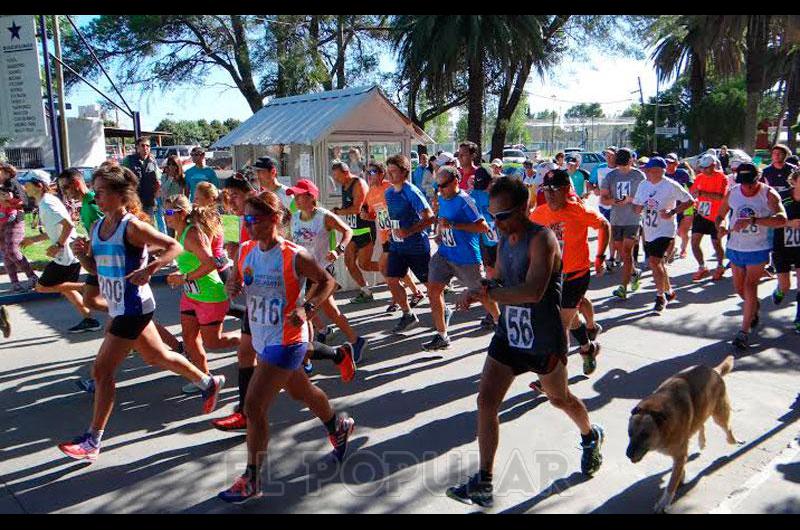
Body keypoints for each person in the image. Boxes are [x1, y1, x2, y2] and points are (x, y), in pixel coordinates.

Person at [446, 177, 604, 507]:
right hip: (510, 334)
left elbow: (533, 291)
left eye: (502, 216)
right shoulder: (506, 240)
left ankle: (590, 436)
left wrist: (493, 292)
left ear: (523, 209)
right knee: (486, 401)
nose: (496, 224)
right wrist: (479, 291)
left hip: (543, 340)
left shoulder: (542, 240)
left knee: (560, 399)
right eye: (492, 216)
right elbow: (500, 279)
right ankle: (484, 482)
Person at [58, 165, 226, 461]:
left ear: (121, 195)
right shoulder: (98, 227)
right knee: (156, 356)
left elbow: (173, 246)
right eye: (94, 190)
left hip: (132, 307)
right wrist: (84, 253)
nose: (95, 196)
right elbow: (99, 268)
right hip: (120, 305)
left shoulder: (132, 226)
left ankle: (92, 441)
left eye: (101, 191)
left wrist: (152, 267)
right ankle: (207, 381)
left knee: (102, 371)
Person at [217, 191, 356, 504]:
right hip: (263, 337)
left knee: (253, 407)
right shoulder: (246, 250)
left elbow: (326, 283)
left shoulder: (295, 255)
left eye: (255, 219)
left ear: (274, 220)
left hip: (288, 340)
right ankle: (338, 424)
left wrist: (306, 309)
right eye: (246, 219)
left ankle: (252, 478)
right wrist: (232, 286)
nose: (248, 224)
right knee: (301, 391)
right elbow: (237, 282)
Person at [530, 169, 610, 377]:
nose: (549, 194)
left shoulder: (579, 211)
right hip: (552, 278)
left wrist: (600, 256)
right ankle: (587, 348)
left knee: (559, 326)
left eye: (554, 189)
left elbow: (604, 226)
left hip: (576, 276)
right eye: (545, 189)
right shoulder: (539, 213)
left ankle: (551, 377)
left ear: (566, 189)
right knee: (571, 319)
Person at [164, 194, 240, 395]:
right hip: (191, 295)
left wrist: (185, 277)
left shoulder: (192, 234)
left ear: (181, 214)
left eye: (169, 212)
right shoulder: (178, 233)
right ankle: (205, 379)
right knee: (189, 339)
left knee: (212, 342)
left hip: (210, 295)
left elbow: (210, 263)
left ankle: (247, 339)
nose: (165, 216)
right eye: (164, 211)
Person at [288, 178, 367, 364]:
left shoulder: (323, 217)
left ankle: (304, 358)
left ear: (311, 197)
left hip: (322, 273)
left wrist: (338, 250)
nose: (296, 200)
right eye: (295, 196)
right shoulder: (294, 218)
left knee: (304, 312)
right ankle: (355, 341)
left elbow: (348, 231)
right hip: (304, 273)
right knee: (330, 311)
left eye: (299, 196)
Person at [424, 165, 499, 351]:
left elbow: (483, 227)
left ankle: (502, 324)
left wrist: (454, 225)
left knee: (483, 295)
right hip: (445, 254)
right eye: (437, 186)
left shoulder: (466, 201)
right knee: (433, 290)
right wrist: (441, 234)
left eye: (443, 186)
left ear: (456, 182)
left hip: (466, 259)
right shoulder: (442, 198)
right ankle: (442, 335)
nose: (439, 190)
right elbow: (444, 221)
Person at [716, 163, 787, 350]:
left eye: (750, 183)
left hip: (758, 248)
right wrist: (721, 226)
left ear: (758, 178)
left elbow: (782, 219)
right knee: (739, 288)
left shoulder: (769, 194)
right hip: (735, 247)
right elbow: (721, 213)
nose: (746, 187)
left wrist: (753, 220)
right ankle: (753, 309)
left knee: (750, 285)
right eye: (743, 183)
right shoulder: (733, 191)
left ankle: (744, 331)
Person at [21, 172, 102, 333]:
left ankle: (86, 288)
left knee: (41, 287)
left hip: (65, 255)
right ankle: (89, 320)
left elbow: (69, 226)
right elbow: (57, 228)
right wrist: (34, 239)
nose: (24, 187)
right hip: (69, 253)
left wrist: (58, 245)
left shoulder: (47, 204)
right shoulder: (47, 201)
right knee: (66, 289)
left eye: (27, 183)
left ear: (39, 185)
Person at [210, 173, 259, 432]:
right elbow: (247, 248)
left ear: (248, 192)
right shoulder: (242, 218)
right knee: (247, 352)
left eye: (234, 195)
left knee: (293, 371)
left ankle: (336, 354)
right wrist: (236, 276)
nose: (229, 201)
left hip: (277, 297)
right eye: (227, 196)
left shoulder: (261, 211)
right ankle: (244, 412)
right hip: (257, 297)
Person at [632, 158, 695, 313]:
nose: (645, 172)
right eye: (645, 170)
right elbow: (636, 208)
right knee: (658, 263)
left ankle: (660, 297)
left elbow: (689, 201)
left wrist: (672, 212)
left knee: (654, 262)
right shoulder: (643, 185)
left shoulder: (670, 185)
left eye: (649, 169)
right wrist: (638, 207)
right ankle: (668, 291)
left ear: (659, 171)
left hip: (665, 229)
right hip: (649, 229)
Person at [362, 161, 425, 313]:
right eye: (367, 173)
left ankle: (399, 300)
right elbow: (373, 214)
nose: (368, 176)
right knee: (393, 271)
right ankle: (415, 293)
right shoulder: (370, 192)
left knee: (386, 269)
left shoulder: (389, 188)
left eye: (372, 172)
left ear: (381, 173)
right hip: (384, 236)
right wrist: (366, 215)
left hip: (396, 235)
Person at [384, 154, 435, 333]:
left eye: (393, 172)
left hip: (416, 246)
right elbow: (395, 218)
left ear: (404, 172)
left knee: (430, 285)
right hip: (398, 246)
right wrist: (392, 231)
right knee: (391, 280)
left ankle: (444, 311)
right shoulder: (388, 192)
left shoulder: (411, 191)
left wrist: (409, 231)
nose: (389, 176)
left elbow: (429, 218)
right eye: (388, 171)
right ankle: (408, 314)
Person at [331, 160, 379, 304]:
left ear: (346, 173)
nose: (336, 180)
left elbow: (357, 209)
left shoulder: (358, 184)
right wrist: (338, 211)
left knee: (365, 264)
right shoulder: (344, 185)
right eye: (334, 177)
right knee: (349, 262)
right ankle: (365, 291)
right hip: (353, 231)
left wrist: (338, 211)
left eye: (338, 176)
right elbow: (348, 206)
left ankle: (394, 271)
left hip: (365, 230)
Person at [600, 148, 645, 300]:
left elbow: (645, 197)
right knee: (621, 251)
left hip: (632, 219)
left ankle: (623, 288)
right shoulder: (611, 176)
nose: (622, 168)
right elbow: (603, 199)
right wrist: (615, 201)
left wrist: (630, 200)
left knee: (626, 252)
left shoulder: (639, 175)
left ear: (631, 161)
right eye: (620, 165)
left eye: (625, 164)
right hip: (616, 219)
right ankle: (634, 272)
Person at [690, 153, 729, 282]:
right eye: (702, 167)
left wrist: (703, 193)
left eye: (707, 167)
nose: (704, 170)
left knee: (716, 243)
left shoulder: (722, 178)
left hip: (716, 216)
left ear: (713, 166)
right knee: (694, 242)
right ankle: (702, 266)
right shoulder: (700, 177)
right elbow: (693, 192)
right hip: (701, 214)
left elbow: (721, 197)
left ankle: (720, 265)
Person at [0, 162, 37, 292]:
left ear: (6, 172)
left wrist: (8, 201)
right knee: (5, 253)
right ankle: (15, 283)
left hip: (14, 219)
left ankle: (32, 277)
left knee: (12, 250)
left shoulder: (11, 183)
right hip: (1, 221)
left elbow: (23, 202)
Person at [772, 168, 800, 333]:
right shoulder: (782, 197)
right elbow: (771, 219)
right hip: (782, 246)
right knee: (785, 285)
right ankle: (779, 290)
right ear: (794, 181)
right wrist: (788, 223)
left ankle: (799, 318)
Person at [122, 136, 162, 229]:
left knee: (149, 225)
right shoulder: (129, 160)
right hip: (135, 201)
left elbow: (158, 180)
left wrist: (156, 194)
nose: (145, 148)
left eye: (147, 146)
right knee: (135, 225)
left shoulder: (153, 161)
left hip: (149, 200)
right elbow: (123, 179)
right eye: (142, 146)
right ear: (137, 147)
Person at [664, 153, 694, 260]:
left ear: (676, 163)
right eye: (667, 162)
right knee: (672, 231)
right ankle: (671, 251)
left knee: (682, 231)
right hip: (670, 206)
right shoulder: (662, 174)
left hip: (685, 206)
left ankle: (683, 249)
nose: (668, 164)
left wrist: (693, 201)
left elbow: (692, 188)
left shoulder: (683, 173)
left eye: (671, 162)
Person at [160, 155, 188, 236]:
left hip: (180, 208)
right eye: (169, 164)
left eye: (174, 164)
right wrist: (170, 178)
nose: (171, 166)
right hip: (168, 208)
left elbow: (185, 193)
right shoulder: (164, 177)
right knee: (170, 230)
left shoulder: (183, 177)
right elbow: (164, 190)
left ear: (178, 165)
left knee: (182, 230)